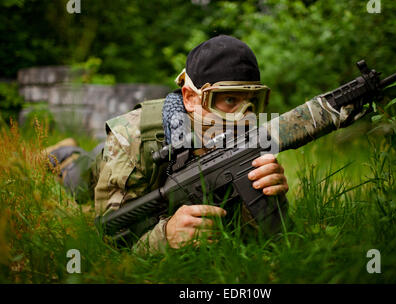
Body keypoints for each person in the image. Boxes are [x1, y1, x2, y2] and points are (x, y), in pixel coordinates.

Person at [48, 35, 289, 254]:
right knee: (75, 177)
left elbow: (259, 238)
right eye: (228, 99)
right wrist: (164, 237)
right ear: (190, 98)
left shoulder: (244, 137)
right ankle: (63, 152)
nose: (244, 117)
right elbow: (108, 238)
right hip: (102, 166)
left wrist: (271, 194)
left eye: (252, 102)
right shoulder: (134, 137)